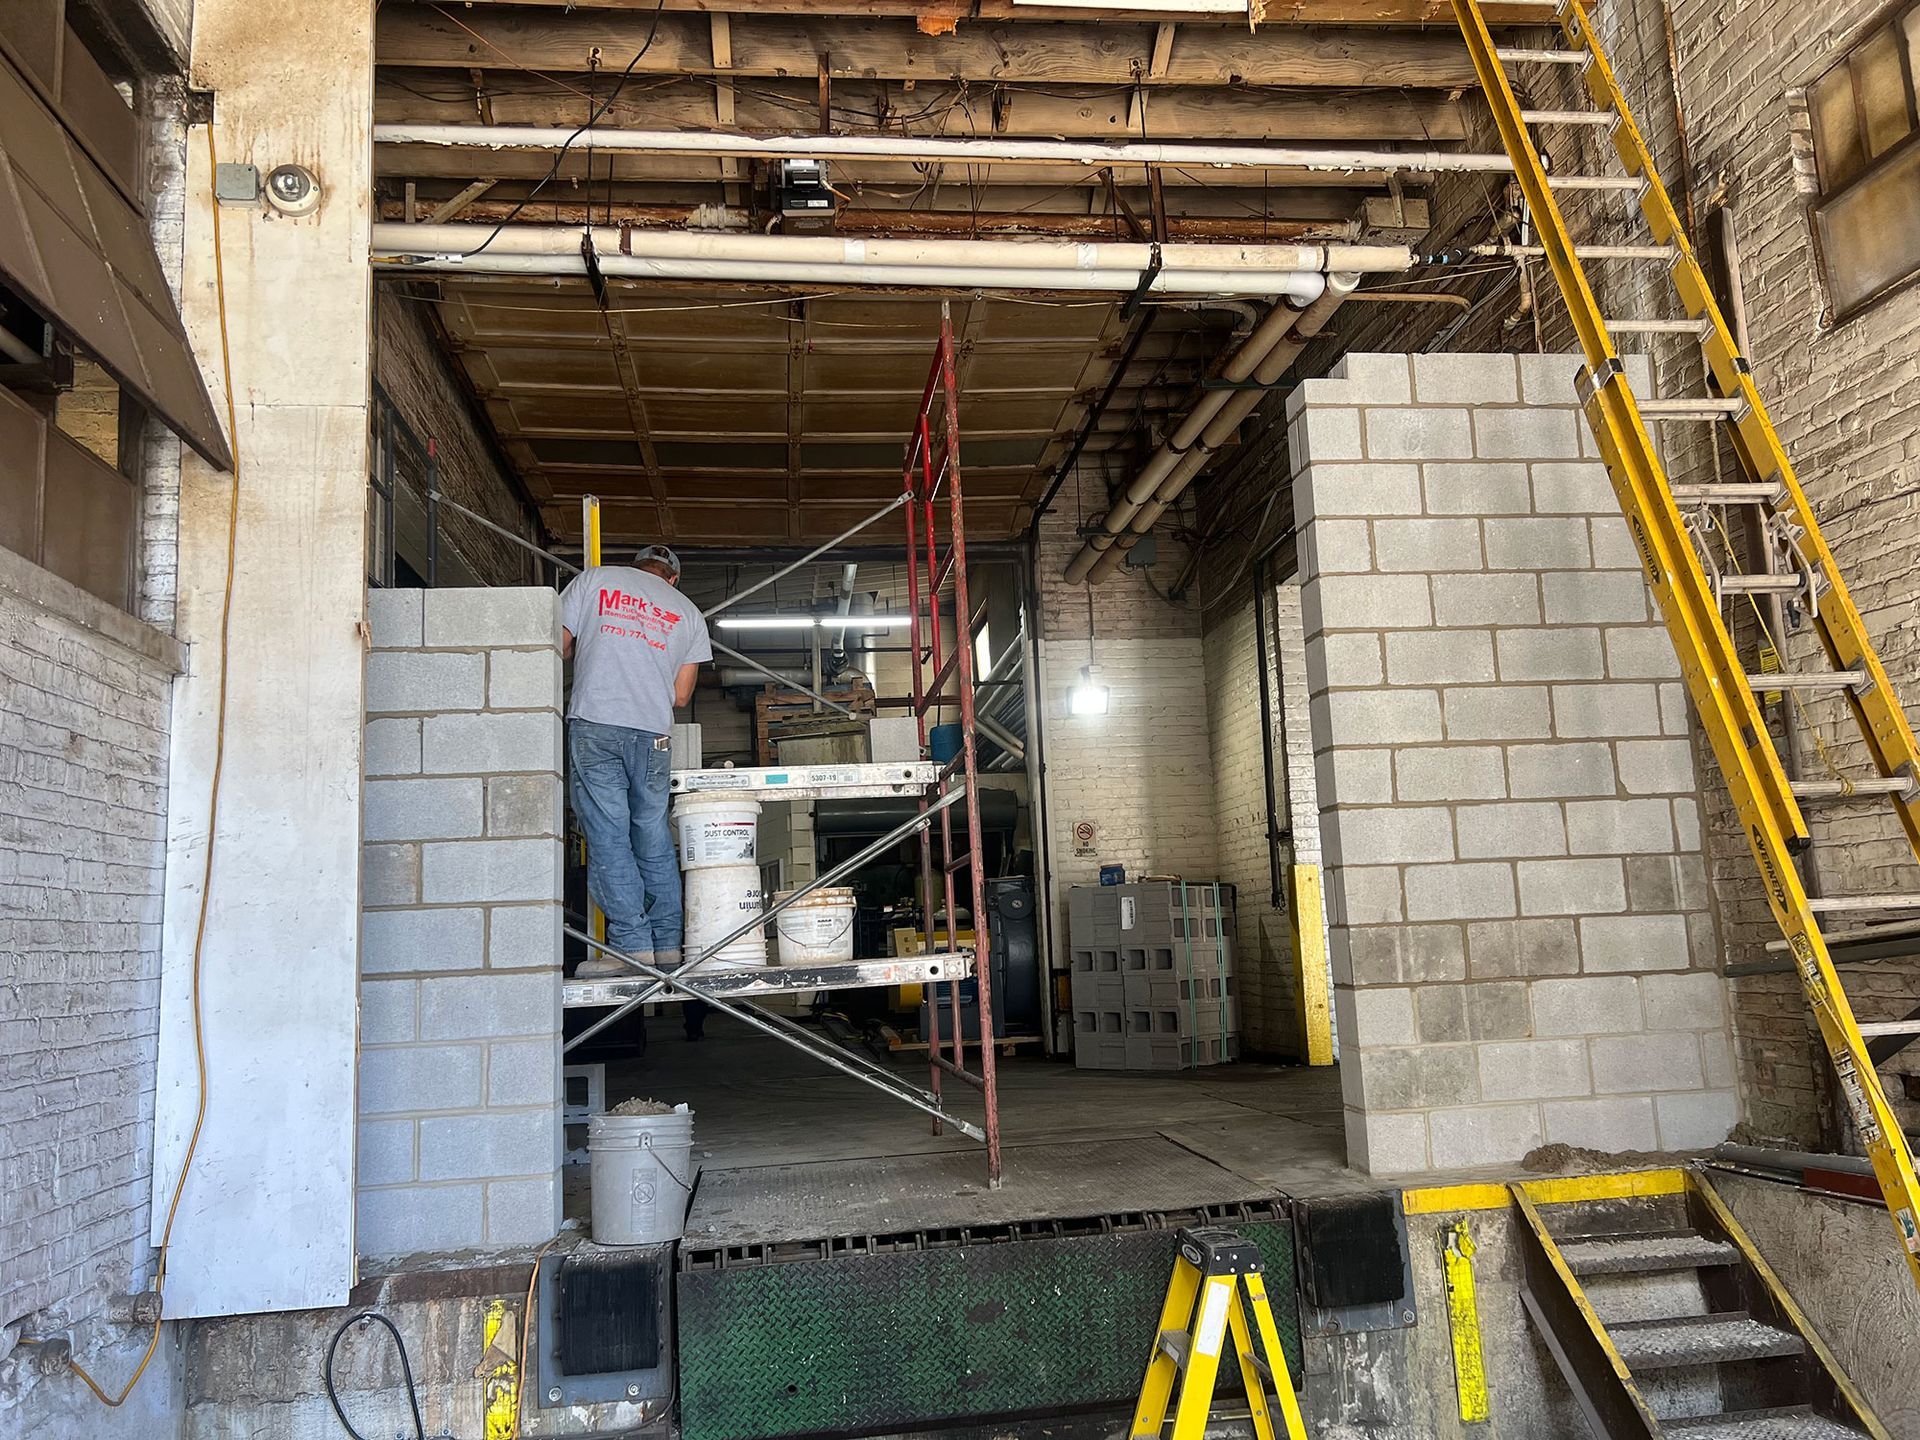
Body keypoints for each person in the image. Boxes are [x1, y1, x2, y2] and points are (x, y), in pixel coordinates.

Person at [561, 544, 710, 983]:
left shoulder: (596, 580)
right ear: (673, 577)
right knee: (651, 834)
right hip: (654, 734)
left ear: (635, 567)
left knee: (608, 835)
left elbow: (561, 643)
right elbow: (682, 696)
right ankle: (667, 946)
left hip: (597, 722)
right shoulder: (689, 613)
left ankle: (631, 947)